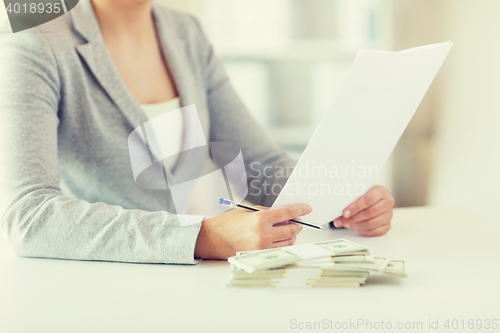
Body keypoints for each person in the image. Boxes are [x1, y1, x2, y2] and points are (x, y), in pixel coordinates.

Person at [0, 0, 394, 263]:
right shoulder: (34, 43)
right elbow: (29, 215)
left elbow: (260, 163)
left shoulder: (183, 30)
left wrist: (338, 198)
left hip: (214, 275)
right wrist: (202, 236)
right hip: (119, 285)